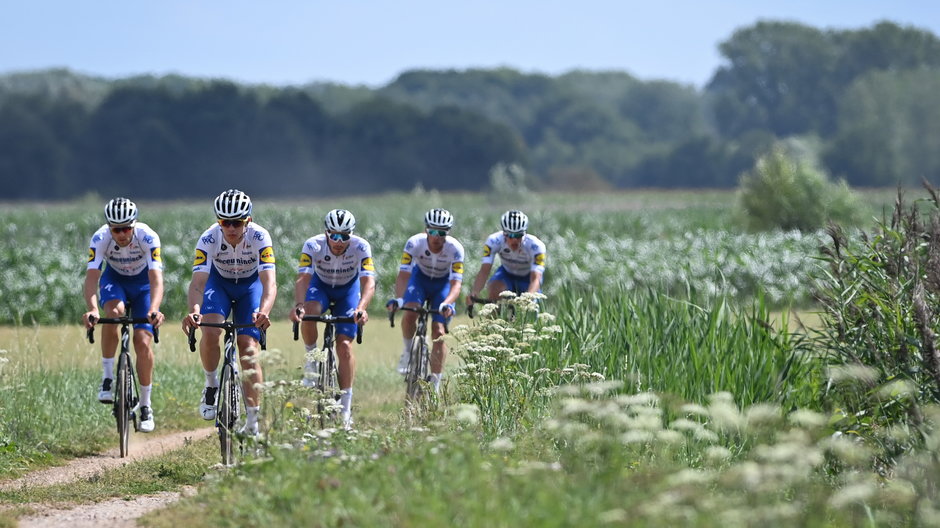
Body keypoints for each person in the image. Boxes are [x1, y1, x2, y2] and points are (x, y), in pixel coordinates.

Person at [181, 189, 276, 436]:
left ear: (249, 221)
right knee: (210, 330)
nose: (231, 228)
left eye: (237, 222)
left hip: (250, 287)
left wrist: (264, 312)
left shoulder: (260, 237)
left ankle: (253, 421)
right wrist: (194, 311)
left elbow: (269, 283)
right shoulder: (208, 239)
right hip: (219, 284)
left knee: (248, 346)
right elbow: (197, 284)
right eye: (225, 222)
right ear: (218, 222)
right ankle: (211, 384)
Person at [82, 197, 165, 433]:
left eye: (126, 228)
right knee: (113, 312)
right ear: (109, 227)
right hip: (115, 280)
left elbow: (156, 279)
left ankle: (146, 405)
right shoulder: (100, 238)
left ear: (134, 224)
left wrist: (154, 308)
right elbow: (91, 278)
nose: (121, 234)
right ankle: (108, 377)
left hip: (143, 286)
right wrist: (92, 309)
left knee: (142, 340)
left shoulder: (148, 237)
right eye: (116, 229)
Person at [289, 209, 375, 427]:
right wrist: (299, 305)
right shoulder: (312, 245)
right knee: (310, 312)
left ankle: (345, 409)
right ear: (325, 232)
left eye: (344, 236)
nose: (338, 241)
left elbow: (368, 282)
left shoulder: (361, 247)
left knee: (344, 346)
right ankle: (312, 360)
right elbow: (303, 278)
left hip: (348, 291)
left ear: (351, 235)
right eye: (333, 235)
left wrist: (361, 309)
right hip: (321, 287)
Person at [386, 208, 464, 392]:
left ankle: (435, 383)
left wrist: (448, 303)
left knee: (439, 331)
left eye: (442, 232)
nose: (437, 237)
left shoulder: (455, 249)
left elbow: (456, 284)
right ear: (426, 230)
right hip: (419, 280)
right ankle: (407, 351)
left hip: (442, 285)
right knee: (410, 311)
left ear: (448, 232)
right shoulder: (414, 243)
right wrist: (399, 298)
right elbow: (404, 275)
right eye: (433, 232)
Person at [466, 210, 546, 305]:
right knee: (494, 290)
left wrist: (528, 298)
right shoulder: (493, 241)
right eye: (511, 235)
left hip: (528, 277)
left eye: (518, 235)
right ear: (504, 234)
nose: (515, 240)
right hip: (506, 273)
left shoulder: (536, 246)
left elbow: (535, 279)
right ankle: (494, 319)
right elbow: (484, 271)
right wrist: (475, 292)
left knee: (530, 308)